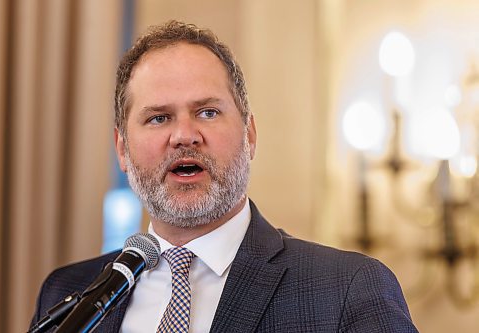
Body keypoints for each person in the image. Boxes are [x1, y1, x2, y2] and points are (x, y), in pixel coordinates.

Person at [30, 20, 419, 332]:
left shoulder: (346, 289)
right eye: (158, 117)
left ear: (249, 134)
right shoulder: (67, 294)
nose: (184, 135)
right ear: (122, 150)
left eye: (207, 112)